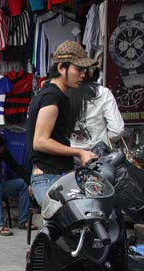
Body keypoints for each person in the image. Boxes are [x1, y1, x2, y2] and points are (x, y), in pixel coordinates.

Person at [26, 41, 98, 204]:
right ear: (61, 68)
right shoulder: (52, 97)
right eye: (78, 69)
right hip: (50, 178)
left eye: (84, 70)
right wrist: (79, 152)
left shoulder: (52, 94)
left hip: (56, 176)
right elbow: (40, 141)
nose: (83, 75)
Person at [0, 132, 34, 236]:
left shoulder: (2, 151)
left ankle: (23, 221)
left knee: (22, 183)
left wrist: (30, 182)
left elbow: (16, 167)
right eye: (1, 148)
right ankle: (0, 226)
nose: (4, 149)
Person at [68, 67, 125, 151]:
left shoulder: (57, 93)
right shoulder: (103, 92)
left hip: (67, 155)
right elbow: (117, 130)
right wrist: (101, 140)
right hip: (97, 155)